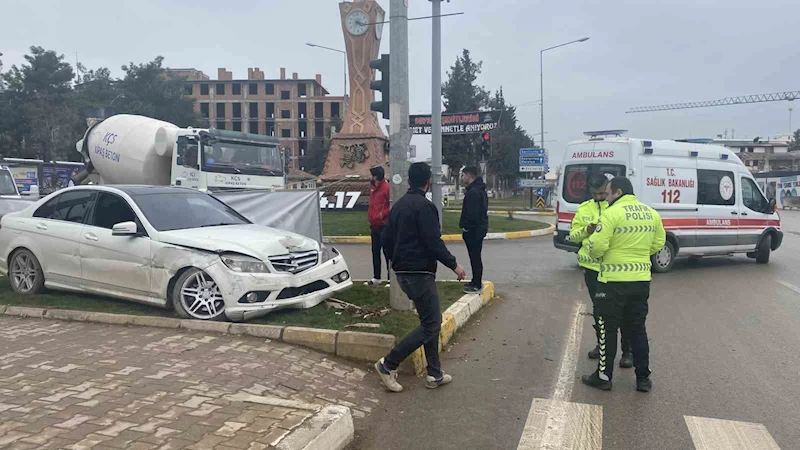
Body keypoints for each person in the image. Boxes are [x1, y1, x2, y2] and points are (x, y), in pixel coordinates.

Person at [376, 162, 466, 392]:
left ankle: (434, 374)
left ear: (409, 181)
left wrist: (394, 262)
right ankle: (388, 364)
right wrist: (454, 265)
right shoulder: (425, 207)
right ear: (428, 182)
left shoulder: (398, 207)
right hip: (419, 273)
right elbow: (433, 243)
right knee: (431, 324)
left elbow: (385, 240)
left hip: (403, 272)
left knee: (429, 322)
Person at [581, 177, 665, 393]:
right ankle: (643, 379)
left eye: (608, 193)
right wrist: (638, 255)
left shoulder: (611, 214)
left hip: (612, 283)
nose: (606, 197)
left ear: (617, 192)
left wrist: (592, 250)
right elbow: (659, 243)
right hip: (640, 281)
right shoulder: (651, 213)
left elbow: (597, 246)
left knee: (607, 328)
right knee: (637, 329)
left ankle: (603, 376)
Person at [569, 174, 633, 369]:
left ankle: (627, 352)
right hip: (592, 270)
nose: (599, 197)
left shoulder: (616, 206)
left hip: (614, 269)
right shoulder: (583, 209)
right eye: (595, 193)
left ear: (609, 189)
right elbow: (573, 236)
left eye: (603, 193)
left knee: (622, 311)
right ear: (590, 191)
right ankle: (602, 345)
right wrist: (586, 230)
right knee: (599, 310)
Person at [459, 166, 489, 294]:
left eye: (463, 175)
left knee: (475, 257)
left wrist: (466, 227)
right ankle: (475, 280)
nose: (462, 178)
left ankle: (476, 283)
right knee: (475, 257)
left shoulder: (473, 193)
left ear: (469, 176)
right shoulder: (479, 190)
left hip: (474, 231)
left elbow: (472, 214)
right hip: (478, 229)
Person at [365, 166, 391, 287]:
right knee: (375, 252)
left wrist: (382, 215)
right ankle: (377, 278)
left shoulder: (387, 188)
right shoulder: (373, 188)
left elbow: (391, 205)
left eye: (372, 175)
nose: (371, 178)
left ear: (377, 177)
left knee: (387, 252)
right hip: (374, 225)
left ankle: (391, 279)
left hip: (384, 226)